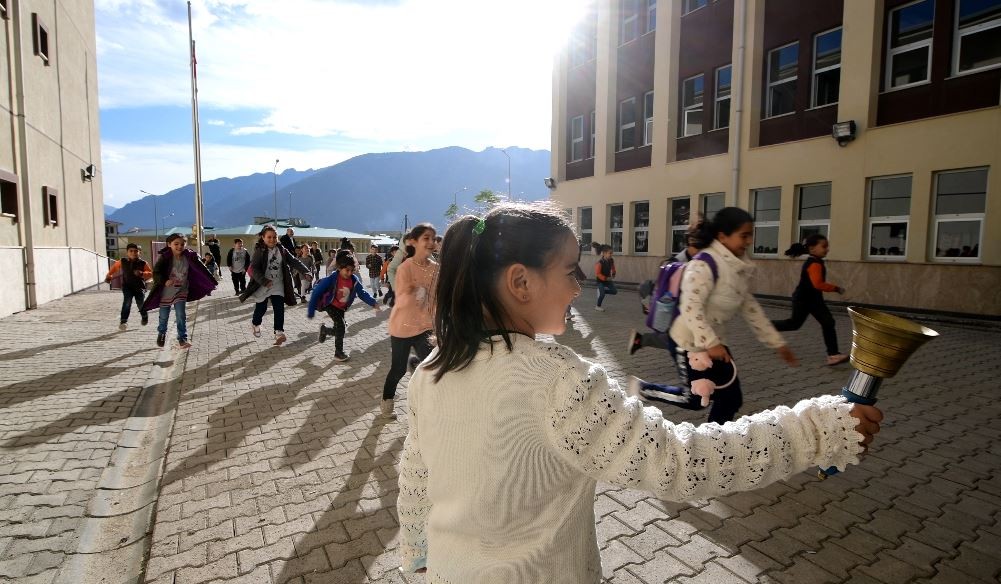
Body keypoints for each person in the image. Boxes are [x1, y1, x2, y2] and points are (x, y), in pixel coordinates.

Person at [397, 202, 883, 582]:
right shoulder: (557, 381)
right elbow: (680, 460)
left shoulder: (431, 372)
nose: (579, 284)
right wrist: (820, 427)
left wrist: (417, 550)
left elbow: (418, 477)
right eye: (571, 270)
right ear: (521, 282)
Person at [626, 207, 799, 424]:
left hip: (715, 344)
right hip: (688, 341)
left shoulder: (737, 268)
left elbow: (750, 308)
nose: (748, 241)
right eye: (743, 235)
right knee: (696, 399)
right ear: (722, 236)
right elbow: (691, 307)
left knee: (731, 399)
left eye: (750, 235)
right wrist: (710, 343)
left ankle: (714, 441)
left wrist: (777, 343)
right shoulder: (704, 264)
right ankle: (643, 389)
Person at [382, 224, 437, 420]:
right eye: (426, 238)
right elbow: (402, 298)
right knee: (397, 370)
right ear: (413, 242)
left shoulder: (435, 269)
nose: (431, 242)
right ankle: (387, 400)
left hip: (424, 328)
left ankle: (428, 407)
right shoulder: (405, 268)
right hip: (402, 328)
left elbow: (436, 299)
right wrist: (411, 291)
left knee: (432, 367)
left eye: (433, 238)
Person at [771, 234, 849, 366]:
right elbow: (818, 284)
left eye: (827, 246)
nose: (827, 249)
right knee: (795, 324)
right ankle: (767, 327)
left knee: (827, 323)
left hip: (812, 300)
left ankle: (833, 355)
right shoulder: (814, 264)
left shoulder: (816, 261)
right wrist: (836, 288)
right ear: (812, 249)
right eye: (824, 246)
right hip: (805, 300)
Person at [142, 233, 217, 349]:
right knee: (163, 316)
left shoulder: (190, 256)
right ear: (169, 244)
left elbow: (203, 269)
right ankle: (162, 333)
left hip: (181, 290)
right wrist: (164, 281)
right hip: (166, 292)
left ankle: (182, 339)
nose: (179, 247)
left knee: (181, 314)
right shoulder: (165, 257)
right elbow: (156, 272)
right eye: (176, 244)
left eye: (182, 244)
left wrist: (211, 282)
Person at [239, 225, 310, 346]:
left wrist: (305, 271)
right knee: (261, 308)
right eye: (269, 237)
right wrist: (264, 281)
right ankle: (255, 324)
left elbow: (293, 260)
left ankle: (279, 332)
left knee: (279, 308)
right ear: (263, 237)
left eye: (274, 237)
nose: (272, 239)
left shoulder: (281, 249)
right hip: (263, 284)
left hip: (278, 284)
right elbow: (254, 269)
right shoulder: (259, 250)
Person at [307, 250, 381, 361]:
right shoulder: (332, 279)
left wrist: (373, 302)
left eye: (352, 270)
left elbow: (362, 293)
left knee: (339, 328)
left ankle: (325, 330)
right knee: (341, 326)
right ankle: (338, 353)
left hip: (341, 307)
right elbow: (317, 291)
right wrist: (311, 310)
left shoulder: (353, 280)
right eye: (347, 270)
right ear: (339, 268)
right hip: (330, 305)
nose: (350, 273)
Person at [104, 243, 151, 331]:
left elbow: (150, 274)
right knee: (127, 302)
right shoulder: (122, 261)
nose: (133, 253)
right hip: (127, 287)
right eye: (131, 251)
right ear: (127, 253)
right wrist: (109, 275)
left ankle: (144, 316)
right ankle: (123, 321)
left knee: (140, 304)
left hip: (139, 287)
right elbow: (114, 268)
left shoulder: (143, 263)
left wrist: (142, 273)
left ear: (139, 253)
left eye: (136, 251)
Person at [591, 242, 616, 311]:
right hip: (600, 281)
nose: (611, 255)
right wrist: (606, 278)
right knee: (602, 294)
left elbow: (613, 268)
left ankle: (602, 291)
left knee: (614, 291)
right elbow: (598, 274)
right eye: (610, 253)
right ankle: (598, 306)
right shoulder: (599, 263)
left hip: (608, 280)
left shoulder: (611, 260)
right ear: (604, 253)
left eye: (612, 253)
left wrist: (613, 274)